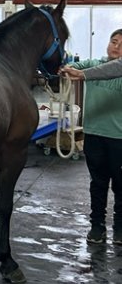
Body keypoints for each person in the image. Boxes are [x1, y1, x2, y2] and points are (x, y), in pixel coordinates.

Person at [63, 29, 122, 244]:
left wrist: (83, 74)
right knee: (97, 183)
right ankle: (97, 226)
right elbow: (75, 68)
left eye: (121, 45)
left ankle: (120, 227)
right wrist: (67, 68)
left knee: (120, 184)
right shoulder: (94, 63)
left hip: (119, 138)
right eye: (113, 41)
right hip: (94, 135)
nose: (116, 46)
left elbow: (113, 69)